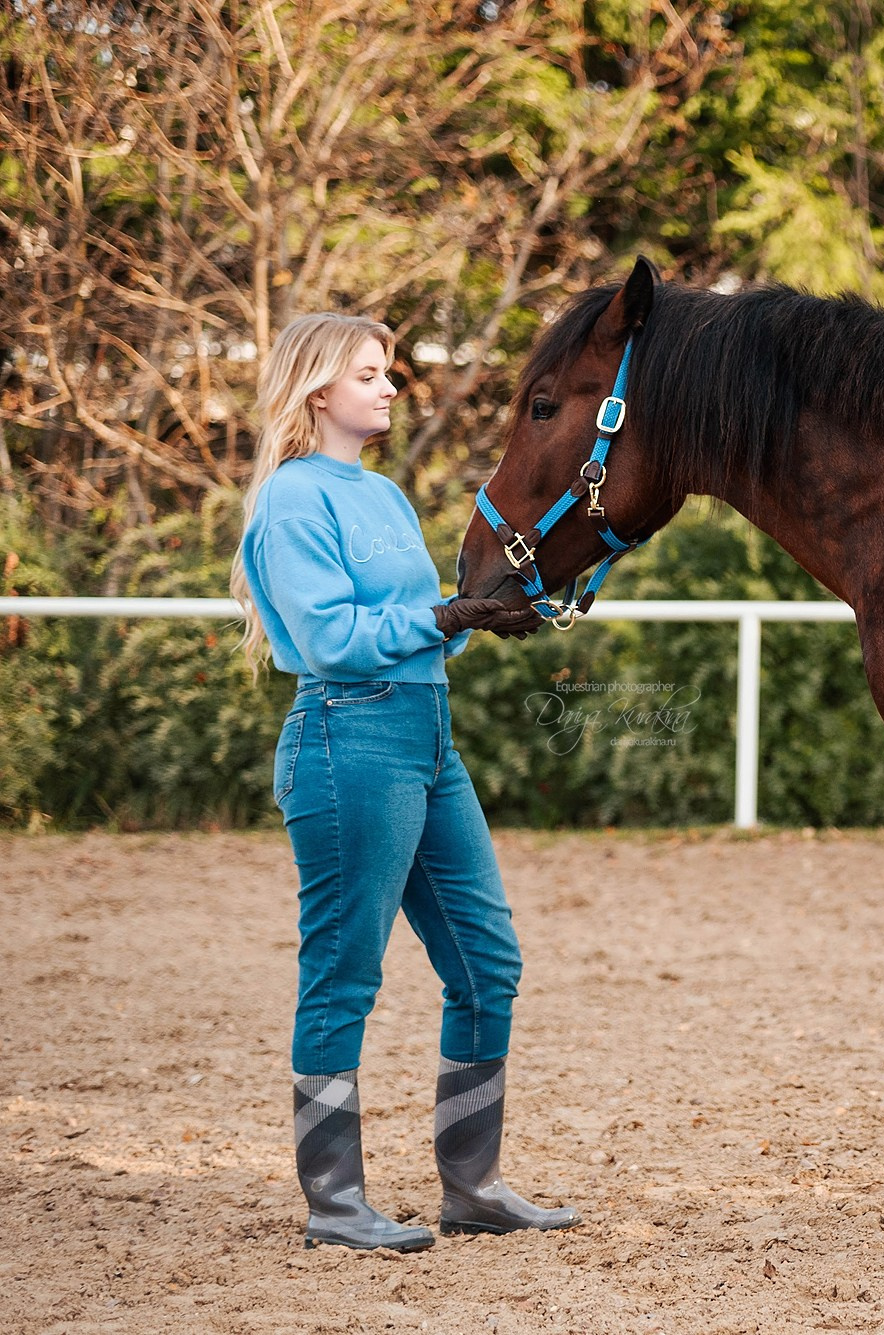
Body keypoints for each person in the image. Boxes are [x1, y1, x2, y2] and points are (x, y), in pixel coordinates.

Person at [229, 312, 575, 1251]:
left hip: (426, 735)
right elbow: (336, 638)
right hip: (350, 736)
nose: (389, 387)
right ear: (317, 391)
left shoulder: (381, 495)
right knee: (343, 973)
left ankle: (473, 1185)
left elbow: (424, 618)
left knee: (487, 962)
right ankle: (335, 1200)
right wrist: (443, 614)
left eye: (388, 373)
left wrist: (484, 612)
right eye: (371, 373)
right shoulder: (296, 500)